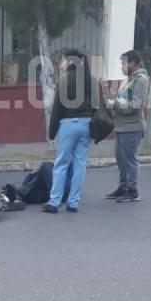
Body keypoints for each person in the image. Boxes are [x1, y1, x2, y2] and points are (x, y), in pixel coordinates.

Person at [43, 50, 100, 214]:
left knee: (61, 164)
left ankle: (54, 202)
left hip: (68, 124)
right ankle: (73, 203)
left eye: (62, 60)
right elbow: (96, 107)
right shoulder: (91, 80)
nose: (61, 63)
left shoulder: (64, 80)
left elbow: (57, 109)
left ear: (68, 61)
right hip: (86, 125)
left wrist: (52, 132)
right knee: (80, 164)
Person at [105, 50, 150, 203]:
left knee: (130, 159)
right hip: (122, 126)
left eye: (124, 63)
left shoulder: (141, 79)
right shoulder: (128, 80)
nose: (122, 67)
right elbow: (123, 100)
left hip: (133, 127)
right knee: (121, 158)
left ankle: (132, 190)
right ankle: (123, 186)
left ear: (133, 63)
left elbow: (137, 105)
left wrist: (116, 104)